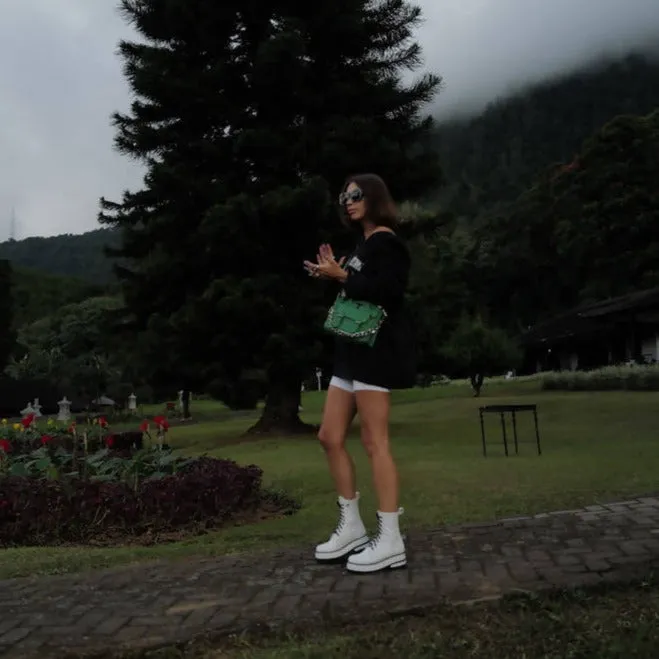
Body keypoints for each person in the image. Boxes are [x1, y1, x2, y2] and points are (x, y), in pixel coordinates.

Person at [303, 173, 415, 574]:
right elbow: (358, 287)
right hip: (348, 352)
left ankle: (390, 538)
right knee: (329, 436)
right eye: (343, 195)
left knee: (374, 441)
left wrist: (344, 276)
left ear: (373, 197)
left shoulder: (387, 243)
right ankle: (352, 526)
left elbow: (390, 291)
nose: (348, 201)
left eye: (355, 195)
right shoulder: (362, 244)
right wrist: (331, 273)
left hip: (374, 352)